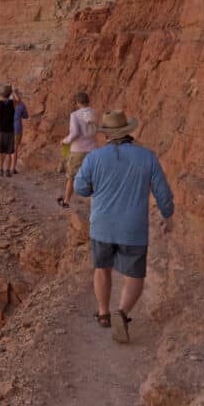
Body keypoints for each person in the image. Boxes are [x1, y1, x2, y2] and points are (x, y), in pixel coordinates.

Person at [73, 110, 174, 343]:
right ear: (128, 131)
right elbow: (162, 192)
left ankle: (103, 313)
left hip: (102, 226)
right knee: (134, 274)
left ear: (106, 135)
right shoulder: (147, 157)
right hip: (133, 229)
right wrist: (168, 216)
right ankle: (123, 312)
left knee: (102, 268)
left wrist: (94, 189)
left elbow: (80, 188)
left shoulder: (94, 158)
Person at [58, 91, 97, 209]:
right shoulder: (94, 113)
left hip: (78, 149)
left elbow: (75, 132)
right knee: (94, 177)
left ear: (77, 103)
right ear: (88, 101)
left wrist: (65, 141)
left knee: (71, 176)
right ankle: (95, 204)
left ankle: (66, 201)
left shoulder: (75, 115)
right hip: (93, 148)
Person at [0, 84, 16, 177]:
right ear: (9, 94)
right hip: (10, 130)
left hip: (0, 129)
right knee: (9, 152)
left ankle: (0, 169)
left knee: (0, 151)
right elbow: (19, 101)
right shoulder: (13, 103)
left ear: (0, 94)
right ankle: (7, 171)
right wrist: (13, 92)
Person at [9, 89, 29, 175]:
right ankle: (12, 168)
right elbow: (26, 116)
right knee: (15, 149)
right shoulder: (21, 105)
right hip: (17, 129)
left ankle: (6, 167)